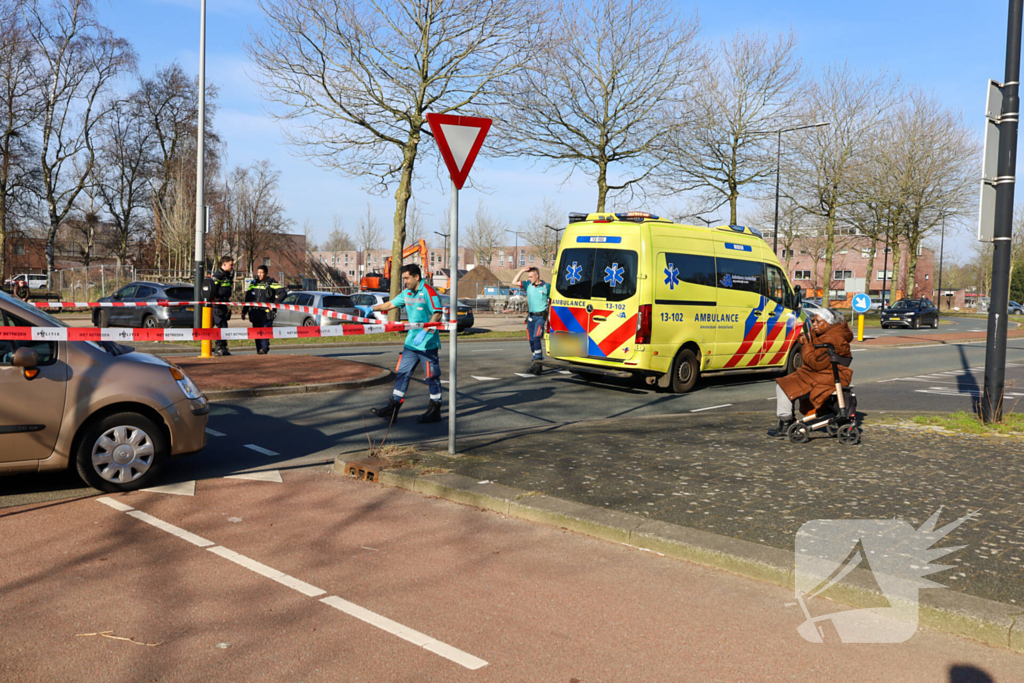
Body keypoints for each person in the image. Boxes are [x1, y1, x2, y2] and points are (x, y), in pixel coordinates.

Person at [370, 264, 444, 423]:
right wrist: (372, 308)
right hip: (411, 343)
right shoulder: (407, 292)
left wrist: (425, 331)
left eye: (406, 278)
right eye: (403, 278)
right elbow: (390, 304)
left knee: (432, 377)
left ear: (416, 277)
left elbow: (437, 313)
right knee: (402, 374)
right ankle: (393, 408)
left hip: (427, 343)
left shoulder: (428, 292)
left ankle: (435, 410)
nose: (405, 281)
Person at [768, 308, 854, 437]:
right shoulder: (829, 333)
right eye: (814, 321)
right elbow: (810, 340)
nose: (814, 324)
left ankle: (786, 424)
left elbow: (815, 363)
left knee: (783, 386)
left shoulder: (832, 339)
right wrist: (806, 338)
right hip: (825, 374)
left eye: (819, 321)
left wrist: (807, 344)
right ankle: (787, 421)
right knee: (786, 383)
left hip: (826, 376)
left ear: (829, 323)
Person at [511, 265, 551, 373]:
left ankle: (538, 362)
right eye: (528, 277)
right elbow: (514, 282)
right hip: (531, 317)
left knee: (537, 337)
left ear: (537, 276)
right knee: (531, 340)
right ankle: (535, 362)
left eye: (531, 277)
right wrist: (522, 271)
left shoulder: (546, 287)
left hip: (540, 316)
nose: (529, 279)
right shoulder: (528, 284)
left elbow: (554, 299)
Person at [242, 265, 287, 355]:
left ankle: (264, 349)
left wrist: (275, 304)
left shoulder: (271, 283)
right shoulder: (254, 283)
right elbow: (248, 298)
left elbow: (283, 293)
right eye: (258, 273)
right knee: (256, 333)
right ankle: (259, 351)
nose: (259, 275)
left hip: (266, 313)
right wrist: (244, 311)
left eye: (261, 273)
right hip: (255, 312)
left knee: (265, 331)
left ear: (266, 273)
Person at [207, 256, 234, 357]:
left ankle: (222, 347)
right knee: (221, 326)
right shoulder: (218, 276)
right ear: (224, 264)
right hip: (218, 305)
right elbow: (212, 289)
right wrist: (215, 300)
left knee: (223, 325)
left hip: (224, 304)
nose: (232, 267)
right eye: (231, 265)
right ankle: (219, 347)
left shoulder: (227, 276)